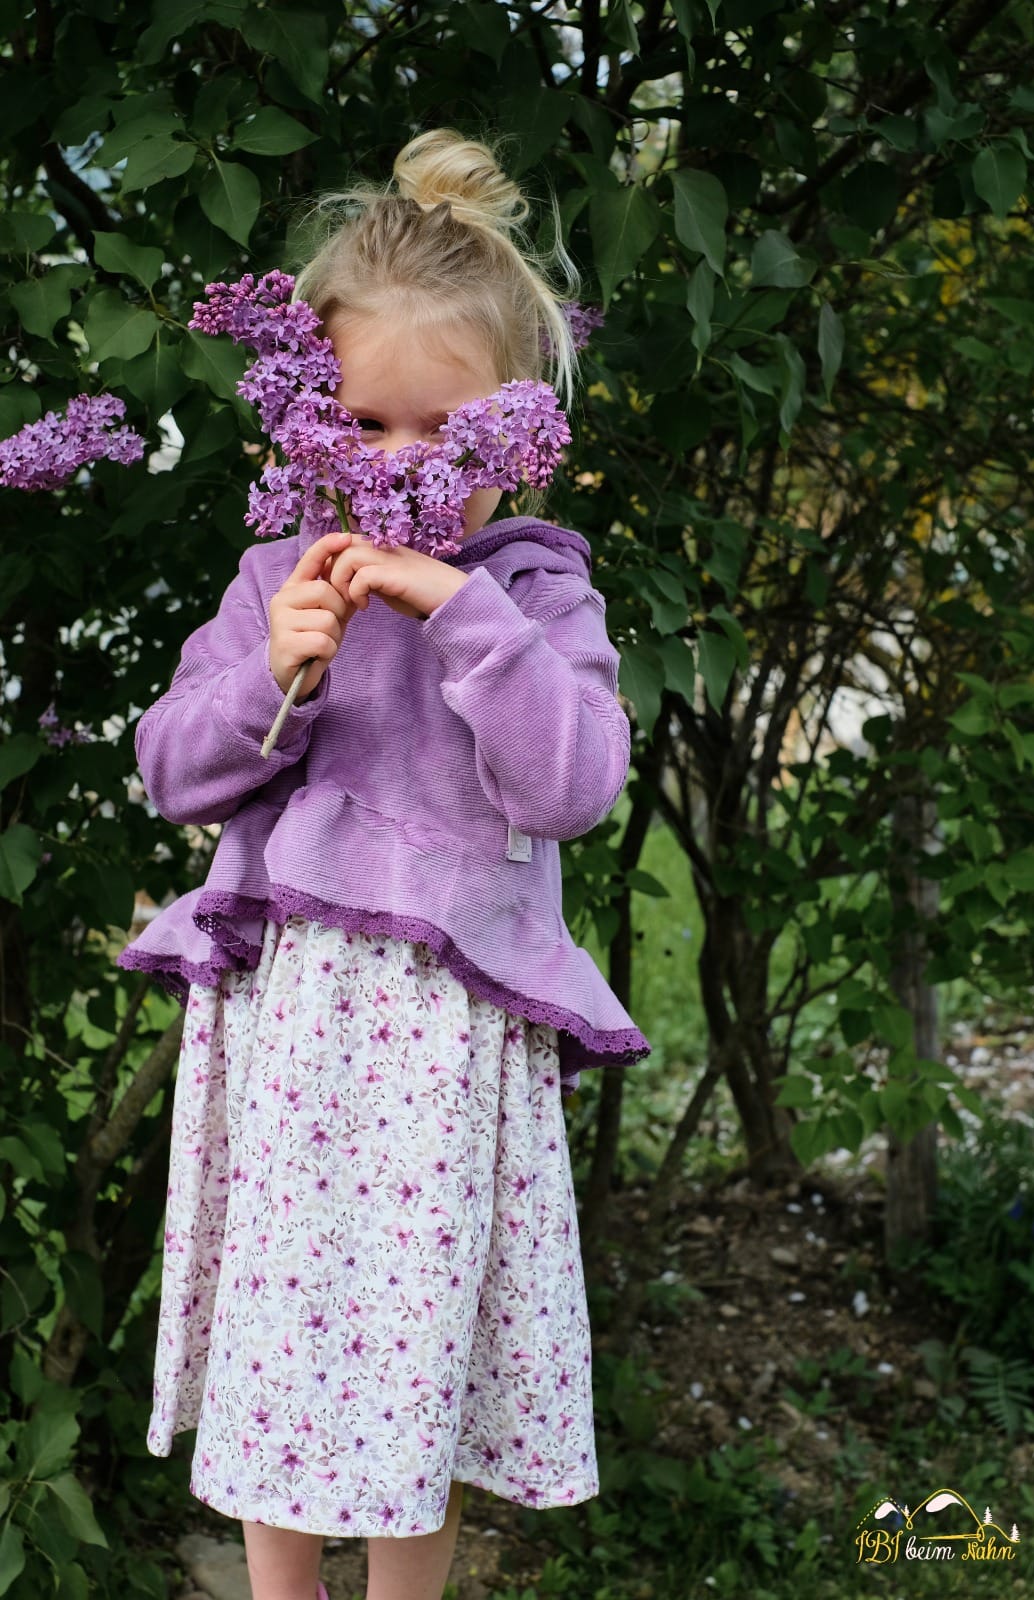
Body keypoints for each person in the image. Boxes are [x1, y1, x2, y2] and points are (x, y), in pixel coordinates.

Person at [118, 128, 651, 1600]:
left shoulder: (534, 590)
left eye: (447, 433)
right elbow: (173, 771)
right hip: (292, 1037)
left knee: (422, 1359)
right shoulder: (276, 576)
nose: (401, 466)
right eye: (361, 424)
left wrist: (462, 615)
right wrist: (272, 673)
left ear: (522, 430)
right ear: (304, 414)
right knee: (280, 1357)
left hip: (446, 1044)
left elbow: (572, 785)